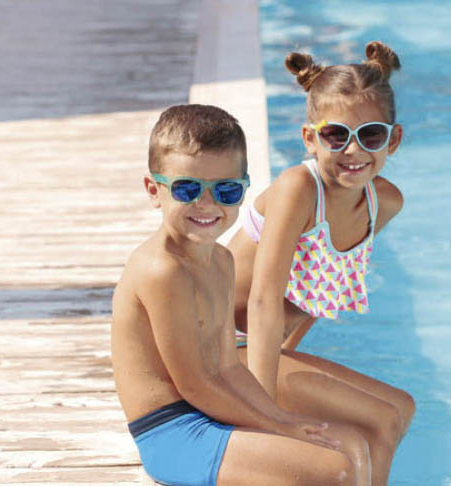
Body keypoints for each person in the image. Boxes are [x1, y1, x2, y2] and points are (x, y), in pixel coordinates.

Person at [112, 104, 372, 486]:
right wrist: (278, 425)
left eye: (226, 190)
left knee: (351, 443)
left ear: (243, 190)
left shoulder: (220, 261)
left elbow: (229, 367)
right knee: (334, 470)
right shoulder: (161, 270)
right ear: (155, 190)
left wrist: (282, 419)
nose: (207, 204)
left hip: (209, 415)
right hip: (172, 432)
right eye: (187, 189)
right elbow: (195, 384)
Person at [227, 41, 414, 486]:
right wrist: (262, 405)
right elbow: (263, 300)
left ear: (394, 139)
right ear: (310, 138)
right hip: (217, 345)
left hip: (260, 345)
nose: (353, 151)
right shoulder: (298, 189)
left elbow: (316, 293)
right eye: (336, 135)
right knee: (377, 423)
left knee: (401, 408)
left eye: (370, 135)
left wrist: (291, 363)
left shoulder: (382, 203)